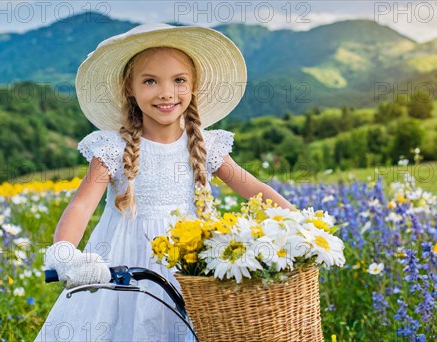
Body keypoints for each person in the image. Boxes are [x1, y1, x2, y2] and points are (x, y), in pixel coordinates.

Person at [35, 23, 294, 341]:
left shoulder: (206, 145)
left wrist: (301, 225)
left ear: (194, 85)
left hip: (188, 265)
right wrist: (65, 253)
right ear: (130, 87)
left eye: (179, 80)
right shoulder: (112, 148)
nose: (166, 92)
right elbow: (81, 205)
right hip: (121, 268)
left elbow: (255, 189)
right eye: (150, 81)